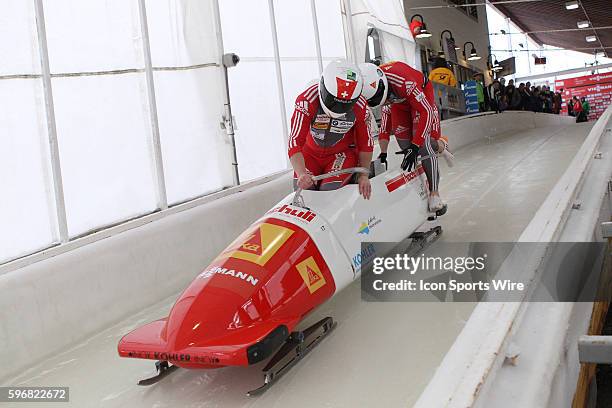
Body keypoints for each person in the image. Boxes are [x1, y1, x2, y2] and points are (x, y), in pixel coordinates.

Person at [359, 61, 445, 212]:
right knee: (405, 146)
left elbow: (426, 111)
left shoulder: (405, 82)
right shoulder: (380, 96)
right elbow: (385, 125)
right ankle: (421, 187)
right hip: (399, 105)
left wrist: (416, 144)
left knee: (423, 145)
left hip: (421, 97)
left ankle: (434, 192)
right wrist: (384, 152)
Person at [288, 60, 373, 199]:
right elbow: (294, 141)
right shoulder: (306, 100)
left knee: (329, 190)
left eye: (344, 105)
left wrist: (363, 175)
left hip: (339, 156)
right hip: (310, 155)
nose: (338, 108)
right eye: (334, 101)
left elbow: (366, 142)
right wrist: (301, 173)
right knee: (304, 190)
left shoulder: (361, 106)